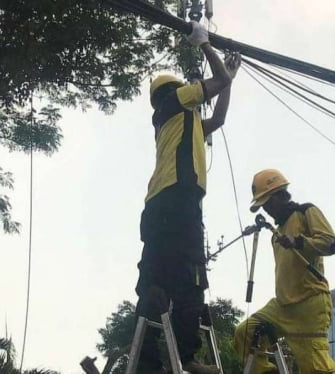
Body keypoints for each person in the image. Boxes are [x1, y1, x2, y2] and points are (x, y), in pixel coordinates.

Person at [135, 21, 241, 374]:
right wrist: (205, 46)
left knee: (155, 277)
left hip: (158, 206)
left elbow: (220, 117)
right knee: (190, 273)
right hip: (179, 200)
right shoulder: (176, 101)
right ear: (176, 90)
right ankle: (188, 356)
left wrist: (228, 77)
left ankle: (147, 360)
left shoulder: (180, 119)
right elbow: (219, 81)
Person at [234, 169, 335, 374]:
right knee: (244, 333)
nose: (266, 209)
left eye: (268, 202)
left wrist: (299, 242)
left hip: (310, 304)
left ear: (281, 194)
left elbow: (331, 243)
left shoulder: (305, 212)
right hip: (282, 306)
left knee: (315, 369)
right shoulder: (276, 234)